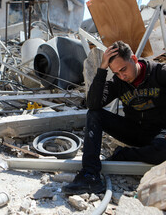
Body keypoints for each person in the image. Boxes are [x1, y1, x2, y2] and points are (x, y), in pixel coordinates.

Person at [62, 40, 166, 195]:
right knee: (94, 115)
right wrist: (102, 69)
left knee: (162, 151)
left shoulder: (160, 73)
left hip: (161, 133)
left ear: (134, 59)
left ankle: (123, 154)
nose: (122, 76)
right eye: (116, 72)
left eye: (124, 69)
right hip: (135, 131)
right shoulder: (119, 82)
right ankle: (90, 175)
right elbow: (93, 104)